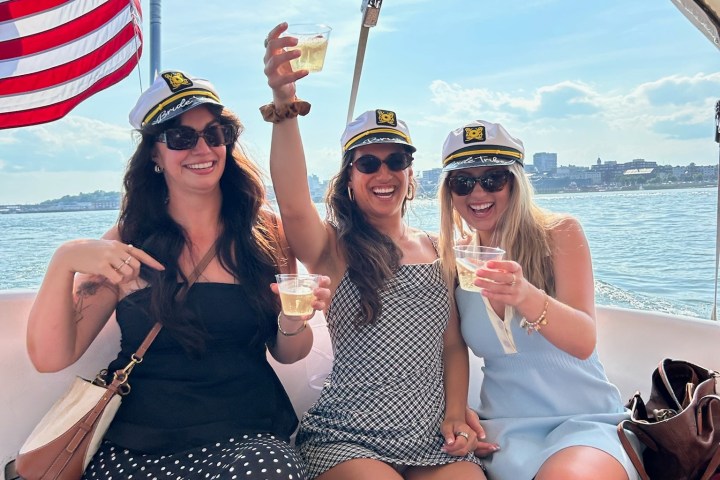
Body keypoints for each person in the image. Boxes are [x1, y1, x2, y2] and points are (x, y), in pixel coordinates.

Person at [26, 70, 331, 480]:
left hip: (247, 439)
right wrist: (64, 260)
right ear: (154, 154)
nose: (202, 148)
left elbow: (287, 352)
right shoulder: (127, 239)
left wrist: (293, 322)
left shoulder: (266, 233)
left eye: (214, 133)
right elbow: (51, 357)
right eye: (181, 138)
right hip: (136, 444)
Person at [262, 22, 487, 480]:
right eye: (368, 163)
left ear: (410, 172)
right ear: (349, 176)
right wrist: (285, 104)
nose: (383, 173)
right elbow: (289, 200)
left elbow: (452, 344)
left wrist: (457, 413)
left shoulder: (442, 249)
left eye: (396, 161)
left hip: (431, 433)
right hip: (348, 435)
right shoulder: (333, 248)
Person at [436, 119, 642, 480]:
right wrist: (458, 415)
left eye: (493, 179)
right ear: (449, 192)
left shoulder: (559, 233)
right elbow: (451, 347)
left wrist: (526, 295)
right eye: (463, 182)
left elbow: (583, 341)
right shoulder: (453, 260)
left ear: (515, 182)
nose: (477, 194)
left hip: (585, 422)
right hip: (503, 429)